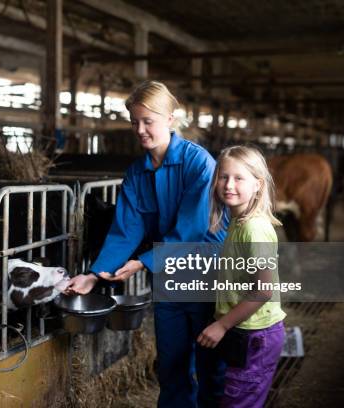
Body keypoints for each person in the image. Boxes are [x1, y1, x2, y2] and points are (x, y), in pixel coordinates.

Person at [65, 80, 227, 407]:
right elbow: (126, 229)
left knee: (212, 365)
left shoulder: (199, 164)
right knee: (170, 364)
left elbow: (191, 231)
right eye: (134, 121)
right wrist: (95, 275)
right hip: (166, 276)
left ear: (170, 118)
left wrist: (143, 262)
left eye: (148, 121)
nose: (140, 129)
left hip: (206, 273)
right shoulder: (137, 173)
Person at [196, 145, 286, 408]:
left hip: (256, 335)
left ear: (258, 184)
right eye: (223, 176)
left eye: (238, 178)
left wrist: (221, 325)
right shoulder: (237, 221)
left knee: (239, 402)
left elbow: (263, 290)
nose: (228, 185)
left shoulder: (254, 229)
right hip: (245, 329)